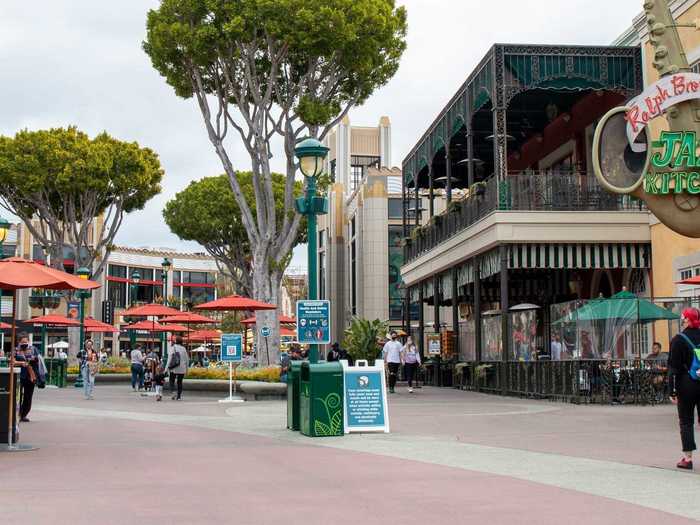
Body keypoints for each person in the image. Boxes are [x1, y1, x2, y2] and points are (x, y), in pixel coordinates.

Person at [668, 307, 700, 470]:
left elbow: (674, 368)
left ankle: (687, 459)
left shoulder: (679, 339)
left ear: (686, 320)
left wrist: (672, 391)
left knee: (686, 421)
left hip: (686, 383)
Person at [14, 333, 40, 422]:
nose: (25, 343)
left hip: (30, 376)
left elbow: (37, 359)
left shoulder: (33, 349)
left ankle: (23, 414)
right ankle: (17, 414)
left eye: (26, 341)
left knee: (28, 397)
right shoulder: (16, 350)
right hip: (19, 376)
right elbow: (12, 361)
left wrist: (32, 358)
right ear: (19, 342)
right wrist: (21, 363)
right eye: (22, 342)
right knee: (18, 396)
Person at [165, 336, 189, 400]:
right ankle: (179, 396)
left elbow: (169, 359)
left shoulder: (172, 348)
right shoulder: (184, 349)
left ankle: (173, 392)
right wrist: (187, 369)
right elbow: (187, 360)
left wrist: (166, 368)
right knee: (180, 382)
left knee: (171, 380)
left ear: (175, 341)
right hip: (182, 368)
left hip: (174, 368)